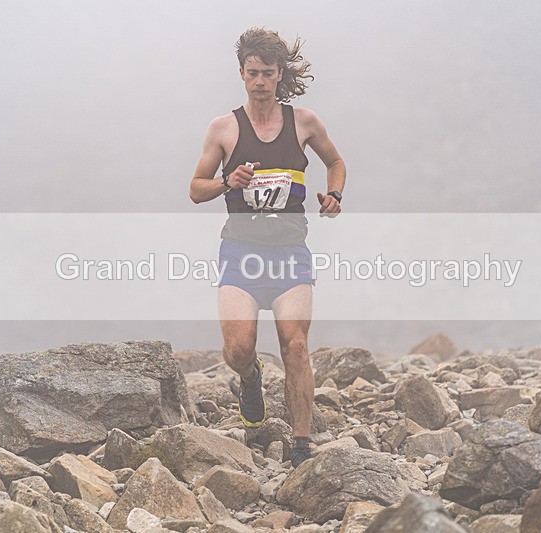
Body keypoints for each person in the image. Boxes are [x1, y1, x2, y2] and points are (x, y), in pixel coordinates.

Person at [189, 28, 346, 468]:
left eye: (268, 74)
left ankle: (300, 445)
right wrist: (227, 182)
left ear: (280, 76)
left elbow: (336, 161)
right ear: (241, 74)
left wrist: (335, 196)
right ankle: (251, 378)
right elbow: (195, 190)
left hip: (290, 255)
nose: (259, 81)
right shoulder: (223, 129)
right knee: (239, 350)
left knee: (294, 346)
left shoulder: (304, 123)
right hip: (239, 253)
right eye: (252, 73)